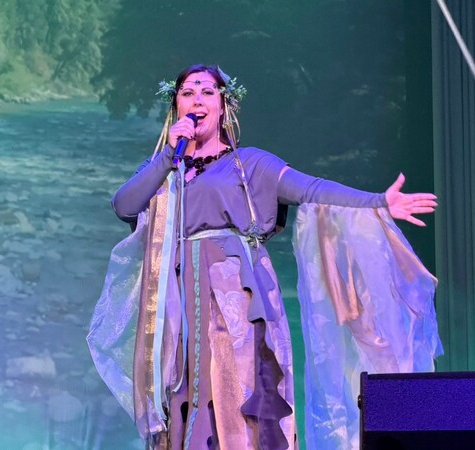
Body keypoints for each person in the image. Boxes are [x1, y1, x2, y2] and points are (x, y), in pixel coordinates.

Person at [88, 64, 443, 450]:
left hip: (234, 296)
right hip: (176, 304)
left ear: (224, 106)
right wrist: (166, 158)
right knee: (183, 394)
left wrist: (378, 202)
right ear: (176, 106)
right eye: (187, 93)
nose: (197, 100)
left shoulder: (250, 164)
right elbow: (124, 205)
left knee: (233, 392)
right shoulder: (164, 170)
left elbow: (311, 189)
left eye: (207, 92)